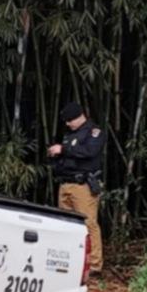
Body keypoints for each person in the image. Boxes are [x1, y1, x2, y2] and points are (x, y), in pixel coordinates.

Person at [48, 101, 105, 275]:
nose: (67, 124)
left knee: (88, 223)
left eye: (68, 120)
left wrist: (63, 149)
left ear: (78, 117)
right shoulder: (69, 135)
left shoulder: (94, 132)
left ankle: (95, 264)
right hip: (66, 184)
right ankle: (71, 260)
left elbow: (88, 152)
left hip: (83, 187)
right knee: (66, 224)